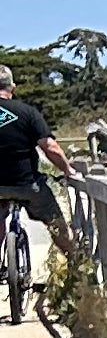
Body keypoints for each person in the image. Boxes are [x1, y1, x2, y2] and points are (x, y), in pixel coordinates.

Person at [0, 74, 74, 235]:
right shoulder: (27, 112)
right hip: (28, 184)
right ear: (12, 86)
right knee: (56, 225)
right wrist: (67, 170)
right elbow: (50, 147)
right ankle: (74, 258)